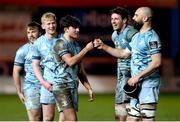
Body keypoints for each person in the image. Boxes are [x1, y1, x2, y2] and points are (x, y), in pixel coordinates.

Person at [95, 7, 161, 121]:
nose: (133, 18)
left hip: (148, 85)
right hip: (135, 86)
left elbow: (157, 62)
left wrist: (138, 76)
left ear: (145, 18)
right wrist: (104, 47)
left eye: (136, 15)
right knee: (130, 119)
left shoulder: (152, 37)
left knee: (147, 120)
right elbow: (124, 53)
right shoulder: (137, 37)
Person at [94, 7, 137, 121]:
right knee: (119, 114)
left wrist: (104, 46)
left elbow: (125, 54)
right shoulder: (114, 35)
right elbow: (119, 54)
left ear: (124, 20)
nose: (113, 21)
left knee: (132, 116)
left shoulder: (131, 33)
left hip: (133, 79)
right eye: (112, 18)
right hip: (121, 78)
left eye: (116, 19)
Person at [52, 15, 95, 121]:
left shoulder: (76, 46)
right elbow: (70, 62)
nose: (78, 30)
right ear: (66, 29)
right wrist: (86, 49)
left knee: (63, 120)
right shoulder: (60, 43)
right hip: (62, 87)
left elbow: (80, 71)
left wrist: (88, 88)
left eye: (78, 27)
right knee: (72, 119)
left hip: (72, 86)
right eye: (74, 27)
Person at [31, 12, 65, 121]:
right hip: (48, 85)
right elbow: (35, 65)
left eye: (53, 23)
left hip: (64, 84)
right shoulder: (38, 43)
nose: (51, 26)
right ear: (43, 26)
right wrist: (44, 83)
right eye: (48, 24)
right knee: (48, 118)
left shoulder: (63, 39)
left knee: (65, 118)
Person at [13, 21, 42, 121]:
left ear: (40, 32)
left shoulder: (47, 47)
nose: (30, 35)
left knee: (47, 118)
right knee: (35, 119)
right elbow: (16, 71)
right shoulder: (23, 50)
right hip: (31, 87)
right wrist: (19, 91)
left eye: (33, 32)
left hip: (47, 87)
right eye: (28, 32)